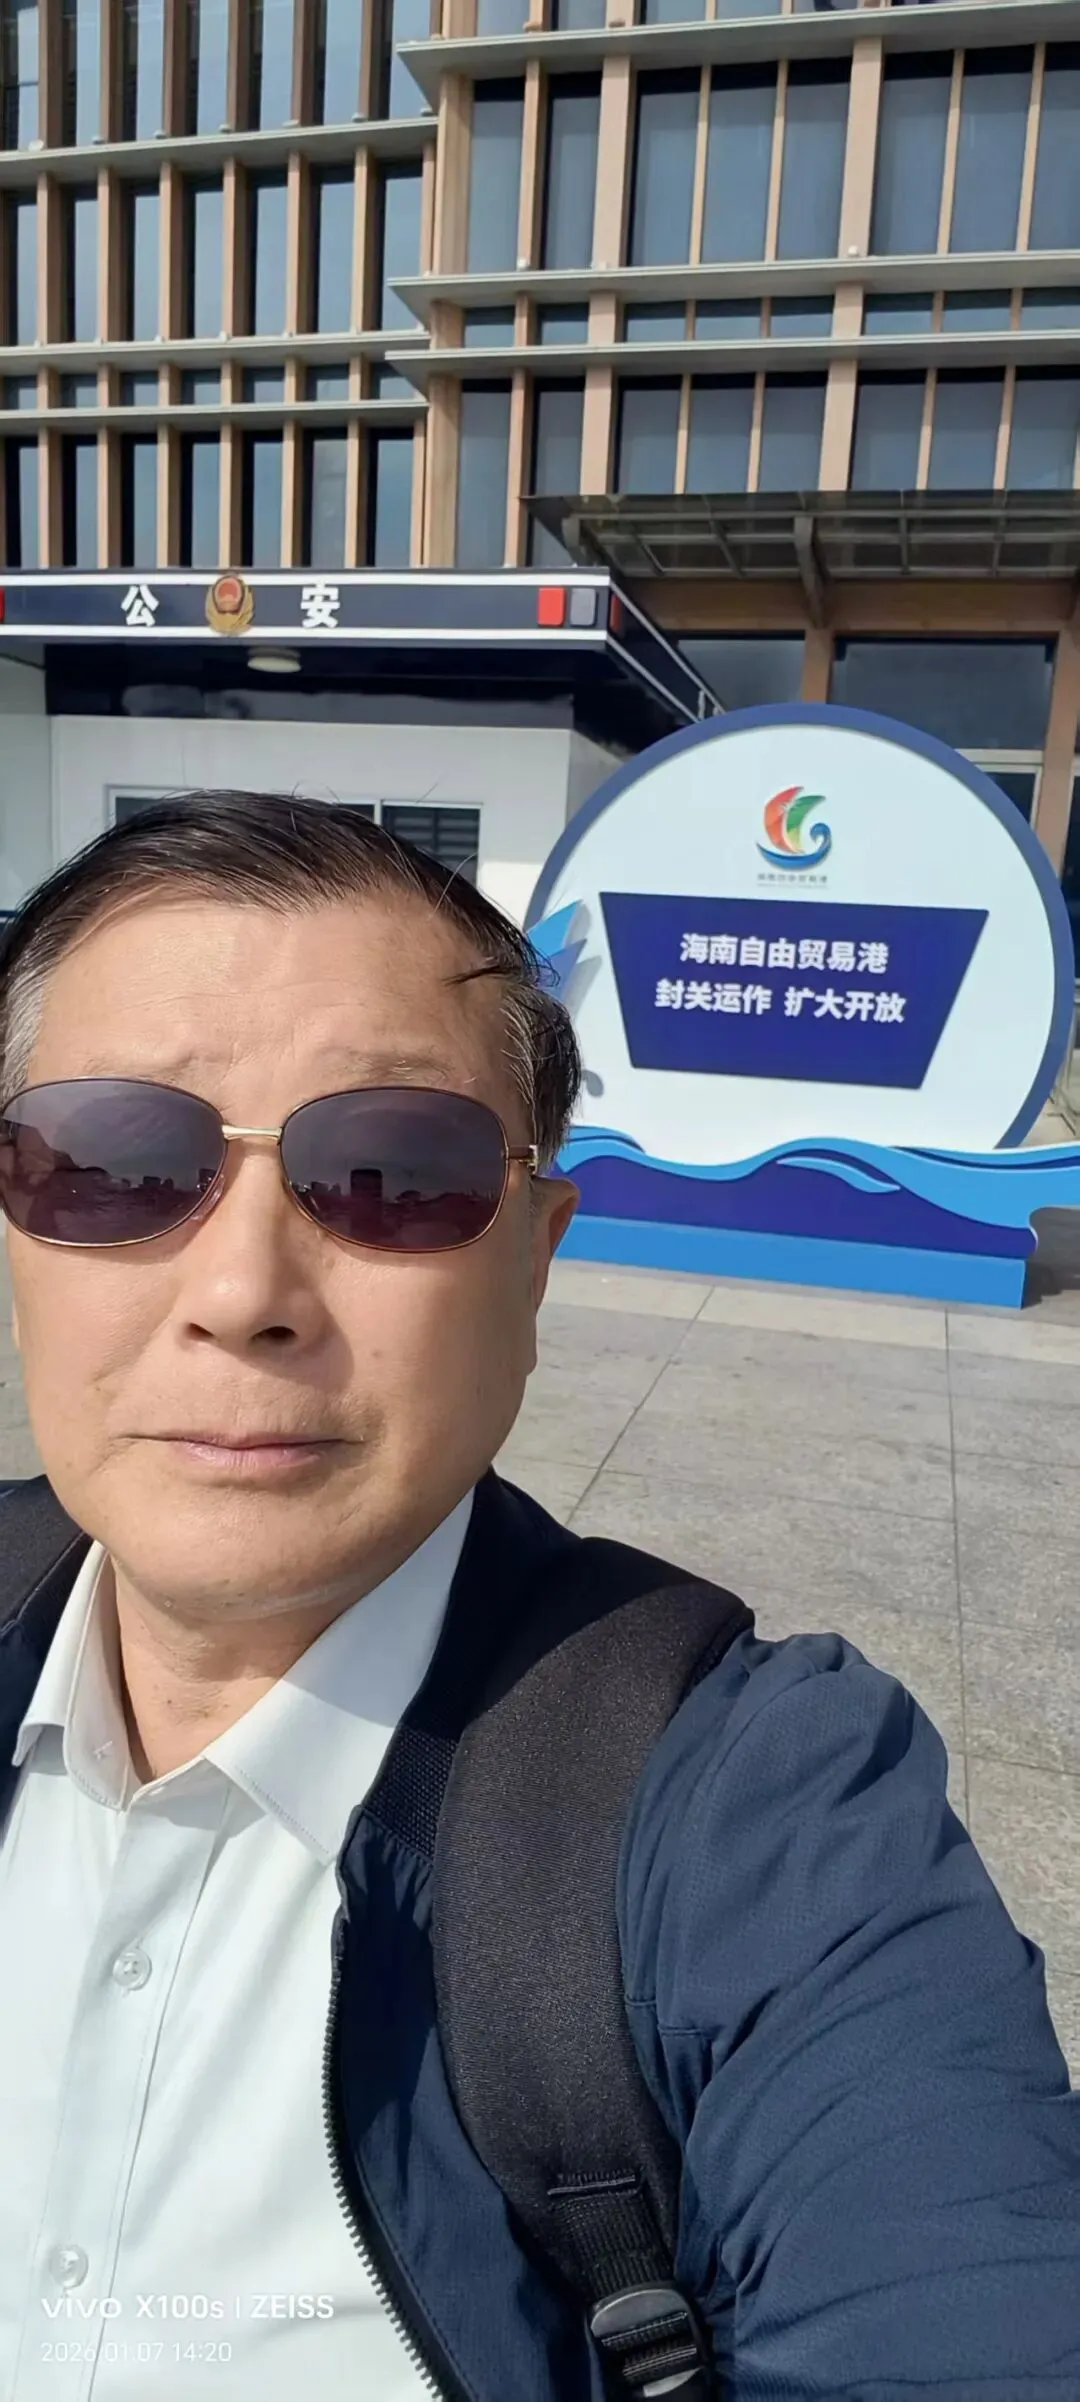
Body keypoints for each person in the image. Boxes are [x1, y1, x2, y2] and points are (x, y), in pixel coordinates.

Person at [0, 790, 1076, 2402]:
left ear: (538, 1256)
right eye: (117, 1161)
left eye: (390, 1171)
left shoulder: (761, 1811)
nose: (241, 1292)